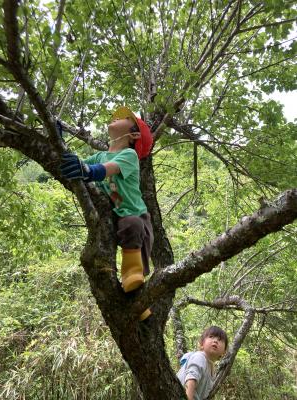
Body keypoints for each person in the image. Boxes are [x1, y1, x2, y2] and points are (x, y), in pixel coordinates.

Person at [60, 106, 154, 320]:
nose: (115, 118)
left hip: (137, 219)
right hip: (116, 218)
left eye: (124, 118)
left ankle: (141, 305)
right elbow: (81, 164)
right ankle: (139, 306)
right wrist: (59, 146)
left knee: (135, 269)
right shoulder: (100, 155)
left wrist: (88, 171)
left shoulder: (129, 155)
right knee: (123, 233)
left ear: (134, 134)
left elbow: (103, 170)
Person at [177, 326, 228, 400]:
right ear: (202, 344)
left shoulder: (211, 367)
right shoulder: (200, 357)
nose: (215, 341)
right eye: (211, 337)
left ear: (224, 352)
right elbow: (190, 381)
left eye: (220, 340)